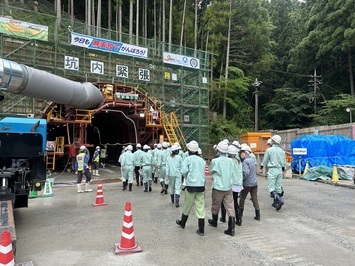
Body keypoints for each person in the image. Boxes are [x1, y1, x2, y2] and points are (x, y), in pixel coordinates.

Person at [176, 140, 206, 236]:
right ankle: (201, 229)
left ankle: (183, 223)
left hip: (191, 186)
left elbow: (183, 171)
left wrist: (187, 176)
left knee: (188, 205)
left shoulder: (187, 159)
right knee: (200, 207)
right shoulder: (202, 160)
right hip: (201, 186)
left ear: (189, 150)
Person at [208, 141, 236, 236]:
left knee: (216, 205)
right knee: (230, 207)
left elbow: (211, 172)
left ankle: (214, 222)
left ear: (218, 150)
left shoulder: (215, 161)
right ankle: (231, 229)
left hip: (218, 187)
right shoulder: (231, 161)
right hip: (228, 187)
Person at [260, 134, 286, 211]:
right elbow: (284, 163)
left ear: (273, 141)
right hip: (279, 170)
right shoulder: (282, 151)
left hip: (272, 169)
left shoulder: (269, 150)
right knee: (278, 188)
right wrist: (283, 170)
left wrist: (261, 167)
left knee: (271, 188)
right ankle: (276, 203)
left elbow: (265, 160)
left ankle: (279, 201)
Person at [220, 144, 243, 226]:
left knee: (224, 201)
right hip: (237, 184)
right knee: (235, 202)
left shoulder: (228, 161)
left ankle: (223, 217)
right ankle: (238, 219)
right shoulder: (238, 161)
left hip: (229, 184)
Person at [239, 144, 260, 222]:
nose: (241, 154)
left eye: (242, 152)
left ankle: (240, 215)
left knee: (242, 198)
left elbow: (245, 173)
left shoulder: (245, 161)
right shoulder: (252, 160)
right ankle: (258, 215)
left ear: (246, 153)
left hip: (247, 184)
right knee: (255, 199)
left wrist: (241, 180)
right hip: (254, 183)